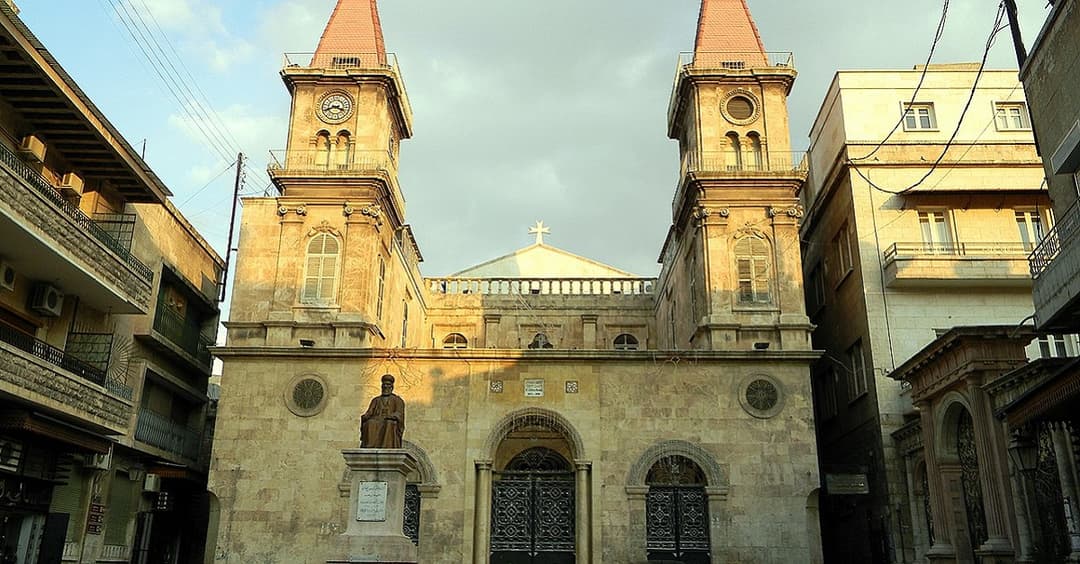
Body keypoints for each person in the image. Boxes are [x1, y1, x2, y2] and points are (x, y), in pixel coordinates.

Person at [360, 374, 405, 448]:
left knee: (389, 423)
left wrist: (392, 416)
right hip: (377, 419)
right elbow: (370, 411)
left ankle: (386, 446)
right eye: (384, 385)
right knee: (370, 423)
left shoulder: (397, 400)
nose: (385, 386)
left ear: (391, 387)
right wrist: (365, 416)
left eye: (388, 384)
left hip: (389, 420)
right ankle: (370, 446)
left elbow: (399, 413)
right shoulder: (376, 400)